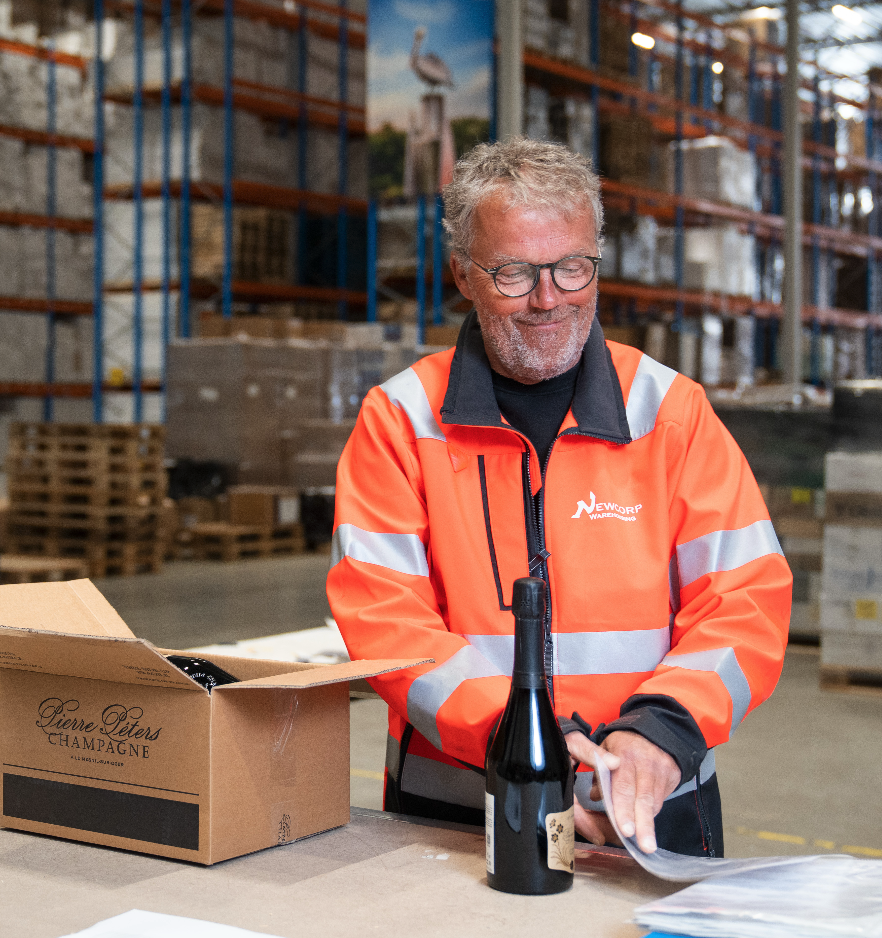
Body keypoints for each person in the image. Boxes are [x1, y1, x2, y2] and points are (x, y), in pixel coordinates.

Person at [326, 137, 791, 857]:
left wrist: (657, 734)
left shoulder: (670, 412)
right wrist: (531, 743)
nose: (548, 300)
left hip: (650, 797)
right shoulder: (400, 421)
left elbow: (745, 598)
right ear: (464, 275)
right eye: (513, 273)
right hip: (458, 804)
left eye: (572, 268)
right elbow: (387, 624)